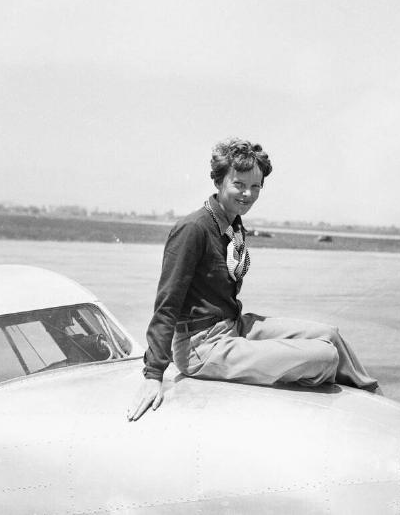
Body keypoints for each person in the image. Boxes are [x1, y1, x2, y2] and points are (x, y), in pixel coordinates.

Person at [127, 138, 380, 421]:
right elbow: (167, 305)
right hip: (202, 346)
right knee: (325, 357)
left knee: (330, 335)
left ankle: (378, 401)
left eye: (255, 186)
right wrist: (153, 374)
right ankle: (357, 415)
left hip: (232, 326)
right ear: (219, 181)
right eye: (239, 184)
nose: (247, 194)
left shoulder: (233, 224)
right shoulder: (193, 229)